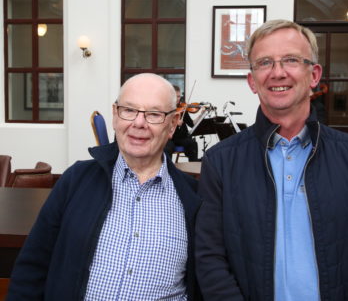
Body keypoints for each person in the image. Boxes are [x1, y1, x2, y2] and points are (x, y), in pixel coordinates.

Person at [7, 73, 202, 300]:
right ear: (114, 116)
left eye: (154, 114)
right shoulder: (76, 181)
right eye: (129, 110)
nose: (139, 123)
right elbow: (32, 268)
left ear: (172, 124)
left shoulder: (194, 200)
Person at [195, 19, 348, 300]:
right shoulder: (220, 162)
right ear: (252, 81)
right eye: (265, 63)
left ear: (314, 74)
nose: (278, 73)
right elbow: (210, 258)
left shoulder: (346, 155)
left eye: (291, 60)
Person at [165, 85, 205, 162]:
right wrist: (175, 123)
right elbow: (163, 125)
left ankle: (193, 167)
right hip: (170, 139)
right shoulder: (166, 108)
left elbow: (192, 123)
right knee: (168, 147)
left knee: (192, 143)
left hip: (182, 138)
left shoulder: (183, 108)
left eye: (179, 96)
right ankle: (169, 169)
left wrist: (201, 115)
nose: (178, 99)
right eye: (176, 96)